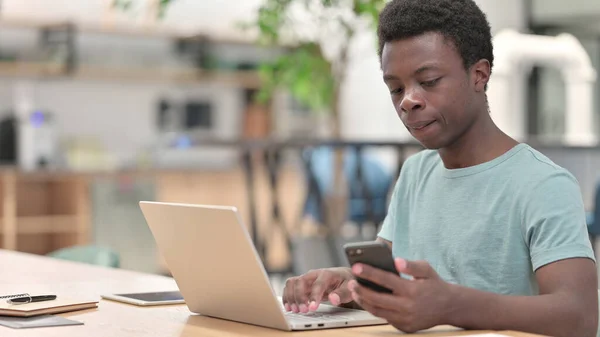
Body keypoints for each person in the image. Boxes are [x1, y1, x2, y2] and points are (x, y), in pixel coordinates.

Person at [281, 0, 599, 336]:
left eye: (429, 80)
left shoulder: (544, 184)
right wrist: (347, 284)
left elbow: (579, 315)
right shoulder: (416, 173)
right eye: (396, 88)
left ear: (479, 75)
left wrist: (453, 305)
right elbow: (398, 285)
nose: (408, 100)